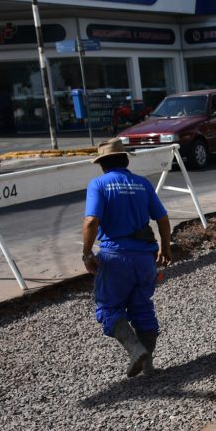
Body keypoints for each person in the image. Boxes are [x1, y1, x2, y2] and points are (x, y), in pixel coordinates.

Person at [82, 139, 172, 377]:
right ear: (126, 159)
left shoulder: (98, 184)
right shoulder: (142, 183)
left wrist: (86, 253)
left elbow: (91, 221)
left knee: (108, 308)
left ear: (102, 164)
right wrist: (166, 248)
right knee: (142, 308)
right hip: (145, 258)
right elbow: (162, 218)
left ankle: (134, 349)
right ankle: (149, 366)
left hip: (115, 258)